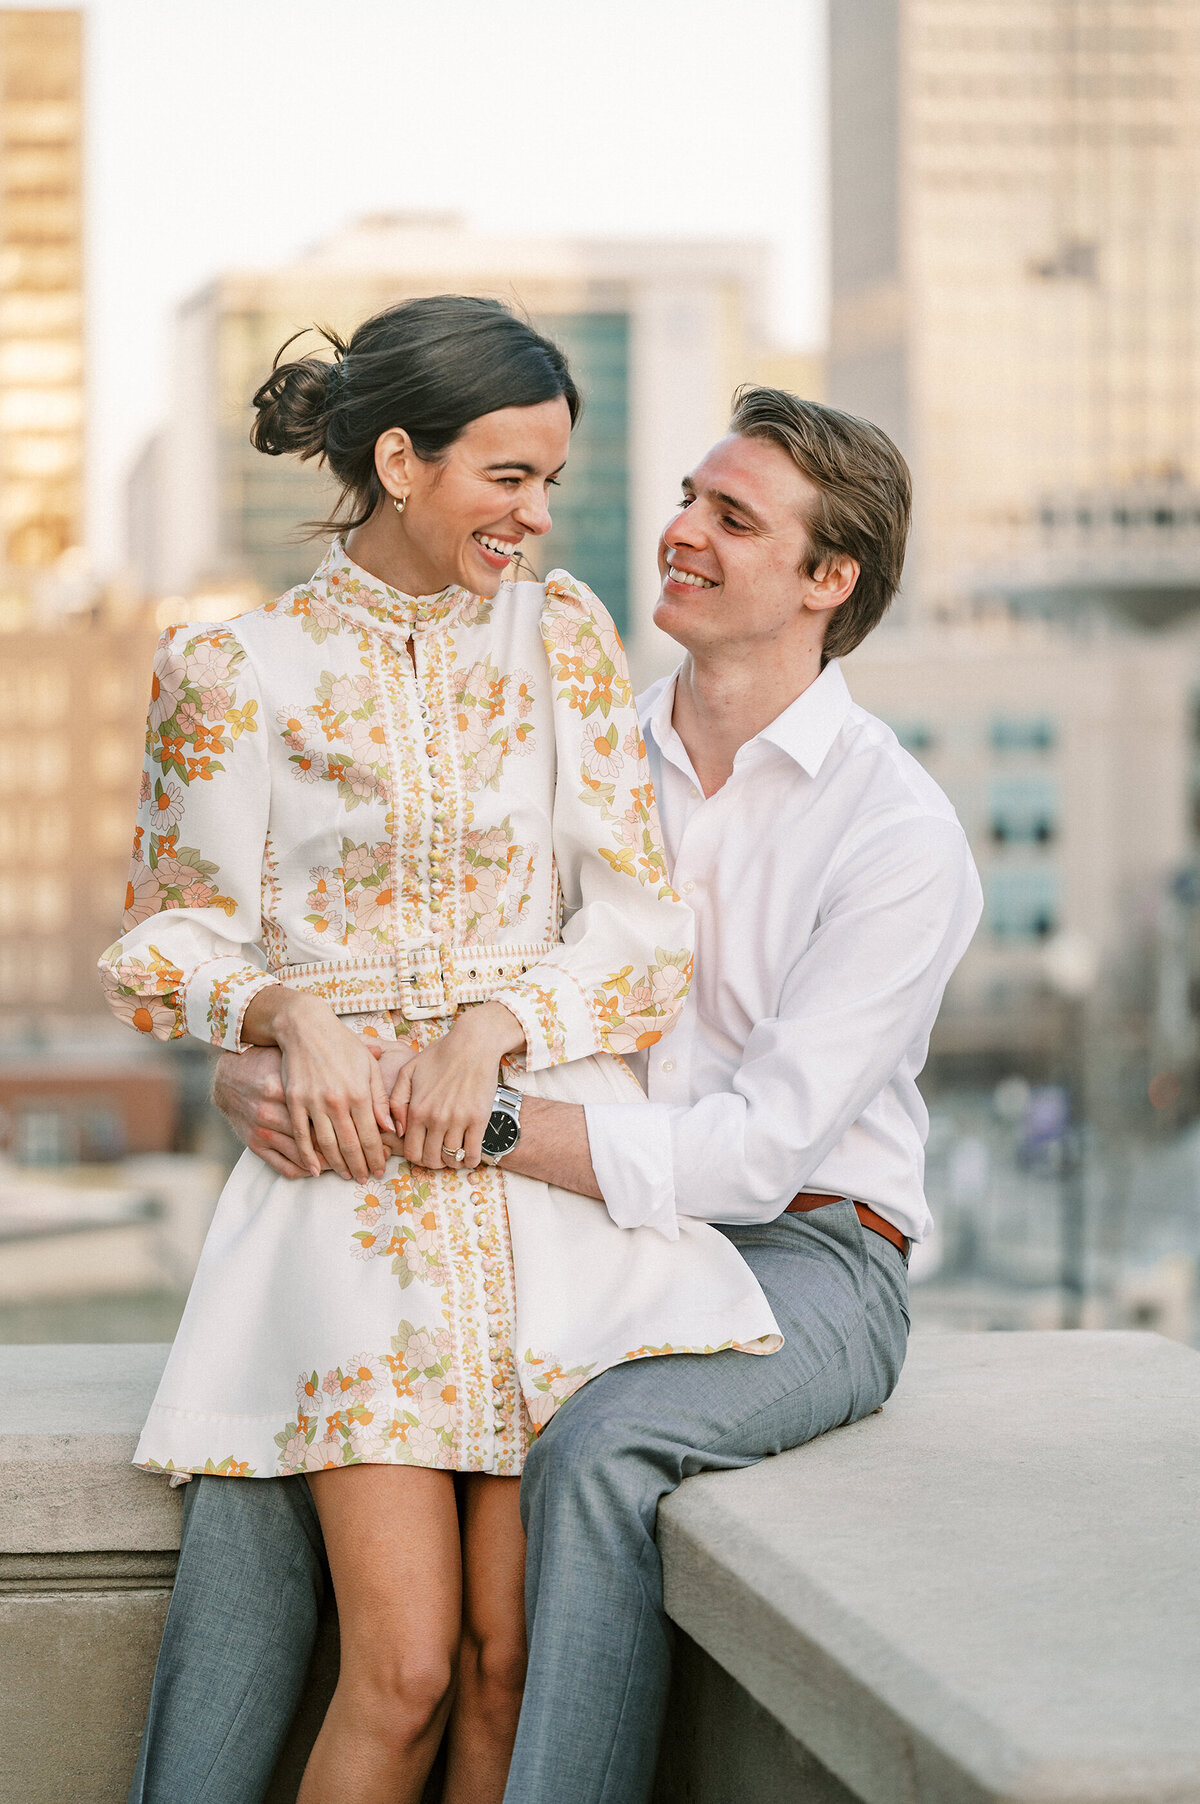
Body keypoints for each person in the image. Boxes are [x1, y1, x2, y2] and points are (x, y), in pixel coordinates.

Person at [135, 386, 982, 1804]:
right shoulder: (572, 722)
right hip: (545, 1208)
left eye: (733, 518)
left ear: (830, 582)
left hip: (809, 1243)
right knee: (277, 1431)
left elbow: (761, 1154)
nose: (681, 535)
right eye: (689, 500)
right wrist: (260, 1056)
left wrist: (488, 1118)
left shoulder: (893, 831)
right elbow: (361, 929)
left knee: (597, 1442)